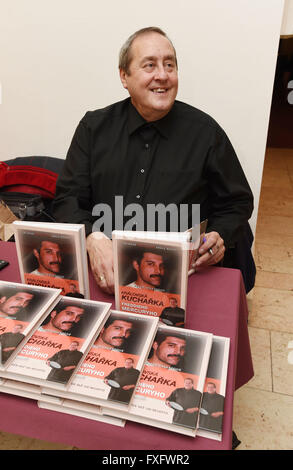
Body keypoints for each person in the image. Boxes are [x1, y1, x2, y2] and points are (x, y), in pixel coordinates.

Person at [52, 26, 254, 294]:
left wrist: (219, 236)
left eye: (169, 65)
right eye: (150, 65)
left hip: (183, 278)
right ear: (124, 76)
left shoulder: (206, 133)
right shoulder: (93, 128)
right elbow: (67, 199)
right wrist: (92, 237)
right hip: (106, 272)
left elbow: (237, 202)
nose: (163, 75)